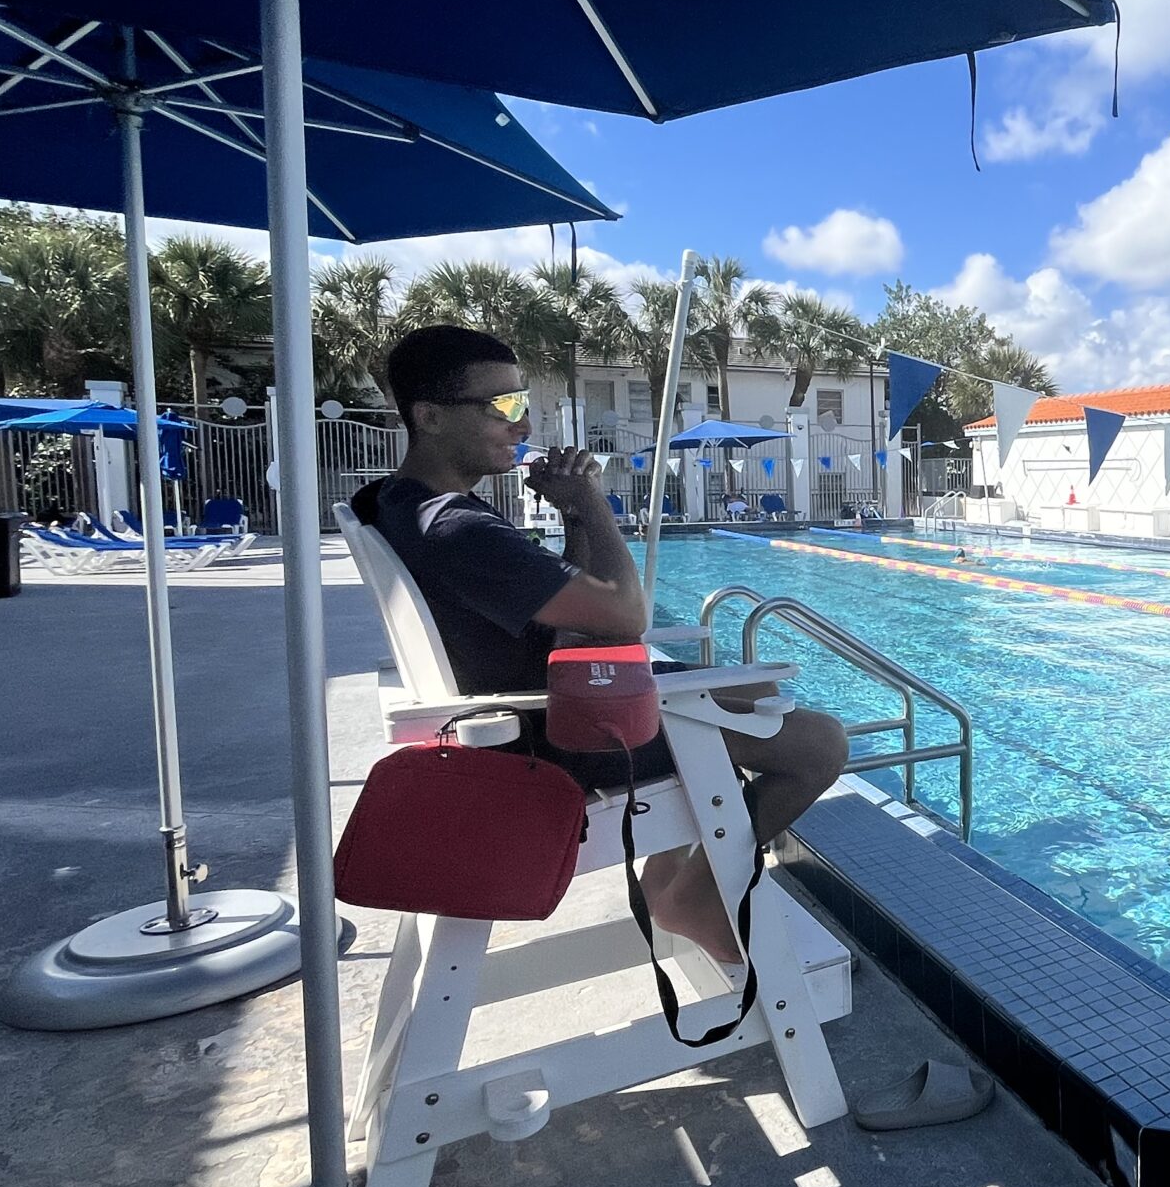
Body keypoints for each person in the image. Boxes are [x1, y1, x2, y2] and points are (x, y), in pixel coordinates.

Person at [352, 325, 848, 967]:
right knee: (819, 745)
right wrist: (593, 499)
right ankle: (690, 897)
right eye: (501, 406)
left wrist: (575, 518)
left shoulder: (398, 503)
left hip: (540, 705)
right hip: (564, 736)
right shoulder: (455, 527)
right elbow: (623, 616)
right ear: (431, 416)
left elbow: (573, 615)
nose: (522, 423)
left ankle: (666, 878)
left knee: (751, 689)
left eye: (521, 402)